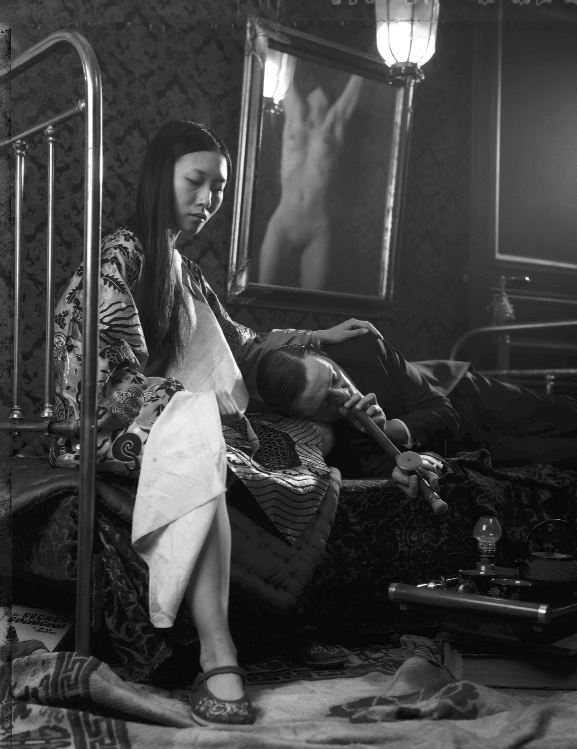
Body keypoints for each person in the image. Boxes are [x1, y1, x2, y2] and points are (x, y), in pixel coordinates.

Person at [50, 120, 382, 726]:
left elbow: (240, 343)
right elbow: (97, 378)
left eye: (219, 189)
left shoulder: (187, 269)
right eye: (196, 181)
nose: (208, 199)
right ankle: (216, 649)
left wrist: (316, 338)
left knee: (311, 437)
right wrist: (186, 401)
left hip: (169, 413)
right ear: (161, 178)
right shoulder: (119, 255)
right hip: (102, 425)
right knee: (197, 428)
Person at [256, 334, 577, 496]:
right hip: (467, 449)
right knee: (572, 453)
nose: (344, 395)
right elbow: (389, 466)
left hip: (463, 393)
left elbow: (445, 412)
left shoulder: (364, 348)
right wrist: (390, 444)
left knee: (571, 416)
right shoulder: (326, 442)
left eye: (334, 378)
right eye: (326, 403)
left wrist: (390, 426)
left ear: (325, 356)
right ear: (307, 416)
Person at [258, 74, 364, 290]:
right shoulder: (295, 120)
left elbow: (351, 94)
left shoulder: (332, 127)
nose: (319, 94)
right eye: (314, 91)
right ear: (307, 97)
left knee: (313, 303)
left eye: (324, 93)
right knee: (259, 293)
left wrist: (366, 66)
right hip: (283, 223)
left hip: (317, 228)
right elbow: (284, 77)